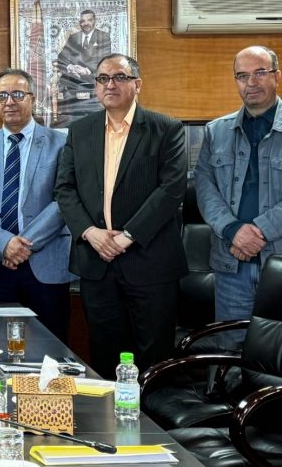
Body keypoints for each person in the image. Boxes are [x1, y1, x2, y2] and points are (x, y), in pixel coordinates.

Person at [54, 53, 186, 373]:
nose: (109, 84)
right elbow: (65, 189)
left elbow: (171, 191)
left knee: (153, 357)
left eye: (119, 77)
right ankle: (109, 423)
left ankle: (153, 422)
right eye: (102, 79)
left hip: (150, 263)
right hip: (97, 263)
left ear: (137, 84)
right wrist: (90, 232)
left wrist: (127, 237)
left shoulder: (166, 129)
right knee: (104, 353)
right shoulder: (80, 131)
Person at [193, 46, 282, 347]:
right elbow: (204, 187)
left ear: (277, 76)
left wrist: (256, 233)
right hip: (232, 263)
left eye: (260, 72)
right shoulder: (216, 131)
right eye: (242, 75)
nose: (250, 82)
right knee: (229, 351)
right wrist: (233, 231)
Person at [0, 69, 74, 341]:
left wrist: (22, 245)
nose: (9, 102)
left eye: (17, 94)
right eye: (2, 96)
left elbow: (64, 200)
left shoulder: (60, 144)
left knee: (51, 348)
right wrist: (5, 243)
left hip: (45, 263)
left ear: (32, 98)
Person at [54, 9, 113, 124]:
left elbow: (104, 59)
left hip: (93, 82)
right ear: (79, 23)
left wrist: (86, 70)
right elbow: (61, 57)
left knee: (95, 120)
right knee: (71, 120)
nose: (86, 23)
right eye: (83, 21)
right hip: (73, 84)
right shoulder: (73, 37)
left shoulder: (103, 36)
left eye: (89, 20)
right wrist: (70, 66)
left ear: (94, 21)